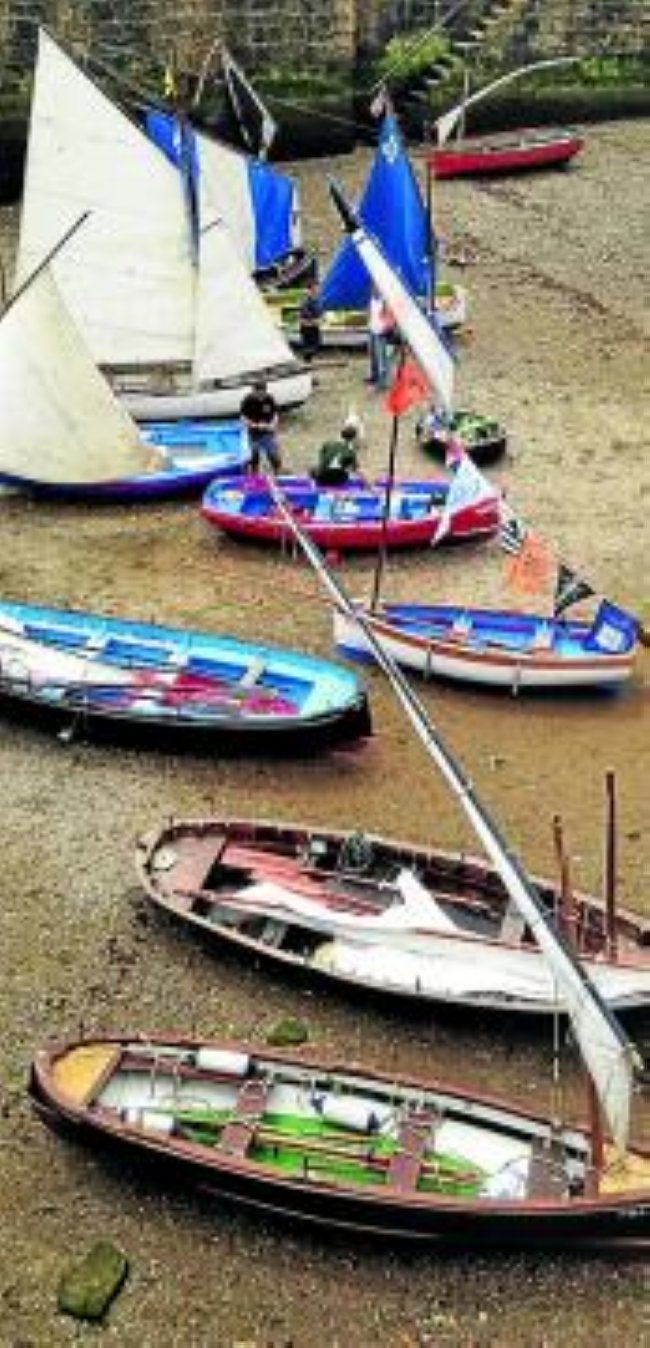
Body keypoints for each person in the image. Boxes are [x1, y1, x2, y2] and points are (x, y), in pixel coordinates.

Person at [239, 378, 281, 473]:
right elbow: (243, 418)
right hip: (252, 433)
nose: (261, 396)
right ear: (254, 392)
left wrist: (272, 424)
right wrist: (254, 425)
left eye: (263, 393)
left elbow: (275, 414)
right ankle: (254, 474)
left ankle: (278, 473)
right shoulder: (247, 400)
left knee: (274, 456)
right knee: (254, 456)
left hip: (267, 432)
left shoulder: (269, 398)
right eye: (258, 394)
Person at [312, 420, 360, 487]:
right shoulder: (350, 452)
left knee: (313, 469)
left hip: (322, 477)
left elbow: (321, 461)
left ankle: (314, 486)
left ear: (340, 434)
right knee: (345, 472)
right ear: (353, 438)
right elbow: (356, 469)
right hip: (338, 479)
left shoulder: (327, 444)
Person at [367, 291, 394, 390]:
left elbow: (391, 316)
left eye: (376, 285)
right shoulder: (371, 299)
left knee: (382, 358)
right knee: (373, 356)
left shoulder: (386, 300)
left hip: (382, 332)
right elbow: (370, 312)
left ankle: (382, 383)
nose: (373, 288)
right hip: (372, 330)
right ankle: (374, 377)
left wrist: (386, 327)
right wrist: (369, 323)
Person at [298, 280, 322, 363]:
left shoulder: (315, 300)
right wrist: (312, 321)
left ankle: (308, 361)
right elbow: (304, 314)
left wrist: (320, 318)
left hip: (314, 325)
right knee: (309, 346)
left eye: (318, 288)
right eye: (316, 288)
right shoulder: (305, 300)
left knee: (316, 343)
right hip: (307, 326)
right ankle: (307, 362)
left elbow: (318, 312)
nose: (318, 290)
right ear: (311, 289)